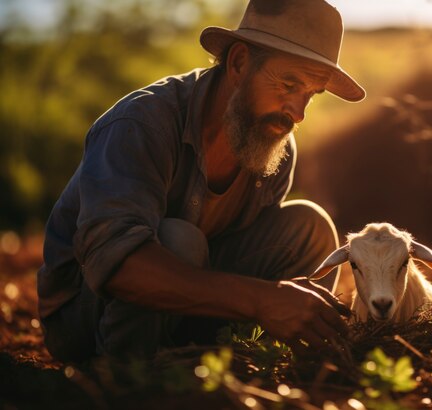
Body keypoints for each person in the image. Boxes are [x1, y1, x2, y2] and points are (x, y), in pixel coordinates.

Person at [37, 0, 365, 362]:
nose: (298, 112)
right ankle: (132, 379)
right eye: (289, 84)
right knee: (179, 240)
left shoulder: (274, 143)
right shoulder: (141, 124)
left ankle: (233, 362)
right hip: (84, 319)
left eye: (310, 94)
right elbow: (117, 266)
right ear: (239, 63)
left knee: (311, 228)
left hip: (188, 309)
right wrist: (262, 299)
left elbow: (244, 255)